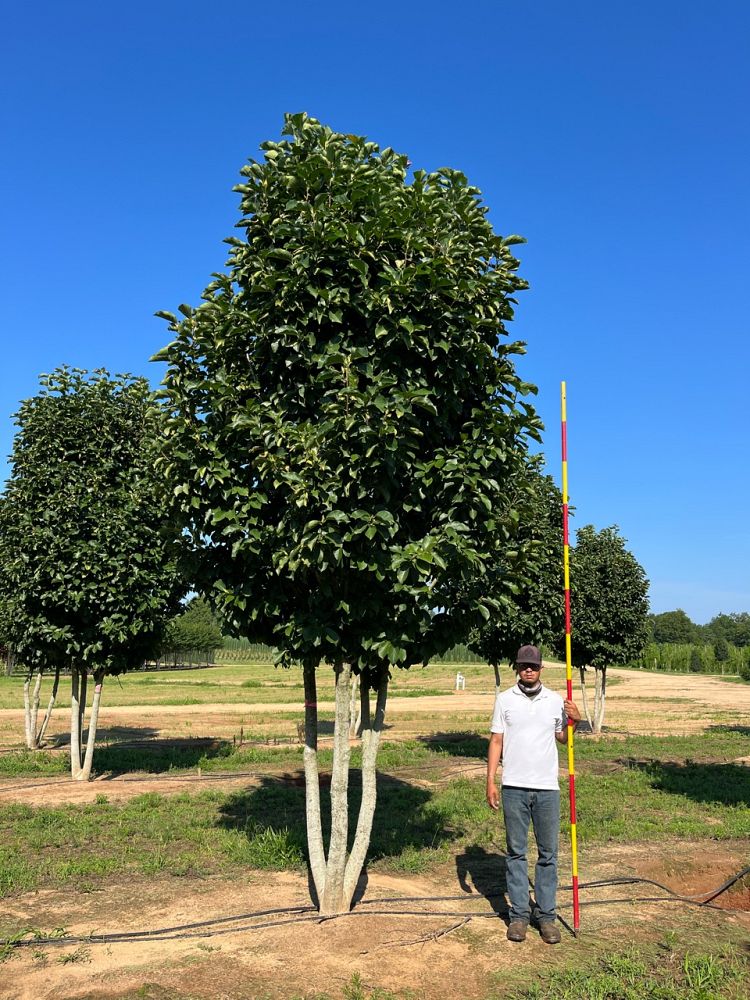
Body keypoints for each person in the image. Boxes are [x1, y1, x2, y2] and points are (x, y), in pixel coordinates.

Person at [486, 644, 582, 944]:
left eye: (533, 666)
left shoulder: (556, 701)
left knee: (548, 855)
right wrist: (490, 779)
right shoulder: (504, 700)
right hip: (513, 786)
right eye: (523, 665)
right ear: (517, 667)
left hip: (546, 789)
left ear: (541, 668)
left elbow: (562, 738)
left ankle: (547, 917)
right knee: (515, 853)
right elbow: (496, 740)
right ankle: (518, 918)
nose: (528, 669)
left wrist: (574, 722)